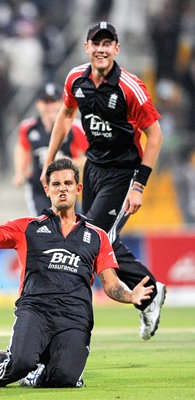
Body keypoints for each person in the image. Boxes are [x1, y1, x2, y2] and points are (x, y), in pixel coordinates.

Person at [0, 158, 154, 388]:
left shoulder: (97, 236)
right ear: (47, 189)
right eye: (56, 184)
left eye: (68, 183)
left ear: (78, 189)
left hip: (75, 318)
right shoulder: (27, 227)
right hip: (35, 312)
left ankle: (41, 371)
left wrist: (130, 295)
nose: (62, 188)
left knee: (66, 379)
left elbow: (111, 283)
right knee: (20, 363)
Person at [40, 22, 166, 341]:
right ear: (87, 47)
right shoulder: (75, 78)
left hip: (123, 171)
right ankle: (152, 290)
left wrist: (139, 185)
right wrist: (49, 160)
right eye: (96, 43)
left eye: (107, 43)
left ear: (116, 49)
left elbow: (155, 135)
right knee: (99, 235)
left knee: (97, 238)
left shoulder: (130, 87)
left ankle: (147, 295)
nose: (101, 48)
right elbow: (66, 116)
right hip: (94, 168)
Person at [13, 82, 88, 215]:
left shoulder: (74, 127)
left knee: (70, 226)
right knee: (42, 226)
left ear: (61, 103)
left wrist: (71, 162)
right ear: (38, 103)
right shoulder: (29, 128)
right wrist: (20, 172)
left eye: (53, 101)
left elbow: (90, 157)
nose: (49, 106)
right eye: (45, 101)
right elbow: (22, 148)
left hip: (65, 187)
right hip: (39, 188)